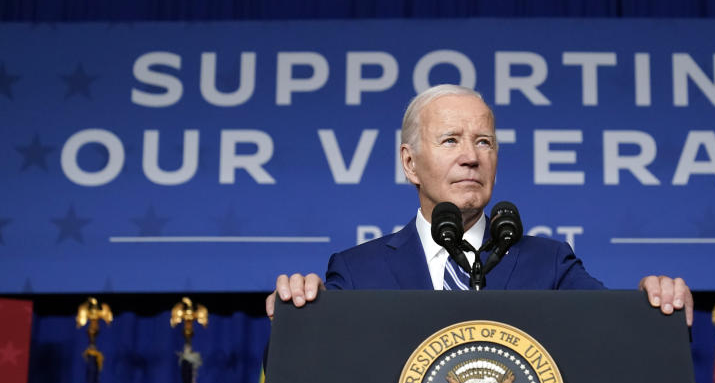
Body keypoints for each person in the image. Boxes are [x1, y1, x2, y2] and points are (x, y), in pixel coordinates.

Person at [267, 84, 692, 324]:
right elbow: (305, 373)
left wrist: (650, 306)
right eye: (450, 140)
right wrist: (297, 318)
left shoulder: (550, 265)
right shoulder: (359, 271)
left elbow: (616, 335)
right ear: (410, 163)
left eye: (483, 142)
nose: (471, 156)